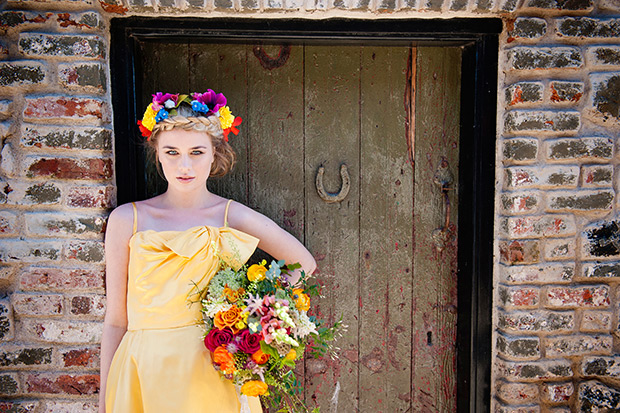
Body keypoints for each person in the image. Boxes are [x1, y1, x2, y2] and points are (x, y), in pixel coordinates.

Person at [99, 91, 316, 413]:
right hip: (144, 365)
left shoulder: (231, 216)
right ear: (157, 154)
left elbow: (304, 264)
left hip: (211, 365)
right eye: (171, 152)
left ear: (214, 154)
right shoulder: (128, 219)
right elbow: (116, 320)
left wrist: (253, 312)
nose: (184, 165)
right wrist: (105, 399)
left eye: (196, 152)